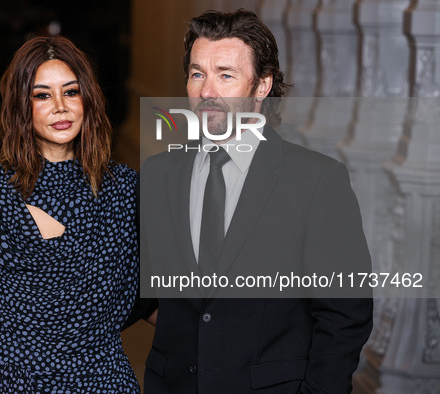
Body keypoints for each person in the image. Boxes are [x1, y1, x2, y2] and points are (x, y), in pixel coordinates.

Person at [137, 9, 373, 393]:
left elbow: (345, 314)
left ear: (262, 86)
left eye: (225, 75)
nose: (207, 91)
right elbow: (139, 286)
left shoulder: (316, 180)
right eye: (197, 73)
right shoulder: (160, 174)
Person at [0, 35, 140, 393]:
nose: (60, 106)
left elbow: (151, 296)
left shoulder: (124, 190)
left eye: (71, 92)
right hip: (13, 380)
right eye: (42, 95)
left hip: (101, 380)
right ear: (21, 107)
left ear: (88, 99)